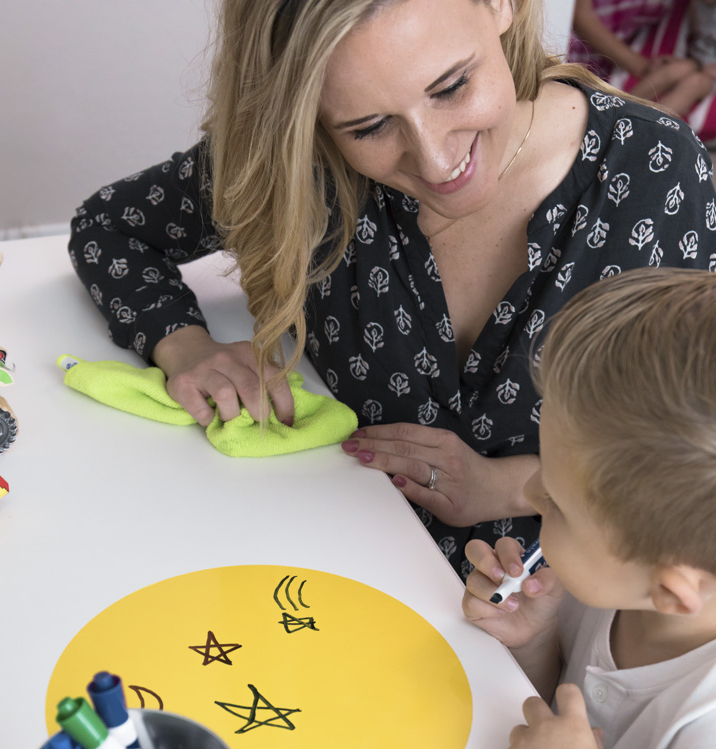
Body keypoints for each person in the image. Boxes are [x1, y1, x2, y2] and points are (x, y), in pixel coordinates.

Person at [68, 0, 716, 580]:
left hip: (564, 644)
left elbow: (694, 450)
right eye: (370, 127)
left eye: (452, 86)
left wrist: (517, 487)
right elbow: (108, 227)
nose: (437, 162)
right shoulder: (302, 166)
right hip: (313, 582)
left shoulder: (657, 177)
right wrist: (186, 347)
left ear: (500, 6)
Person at [462, 268, 716, 749]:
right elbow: (589, 707)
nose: (531, 488)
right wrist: (540, 642)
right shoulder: (625, 581)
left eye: (558, 507)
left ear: (671, 591)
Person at [568, 0, 716, 140]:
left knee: (697, 82)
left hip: (709, 77)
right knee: (679, 69)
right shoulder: (699, 8)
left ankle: (646, 129)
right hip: (695, 63)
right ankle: (614, 113)